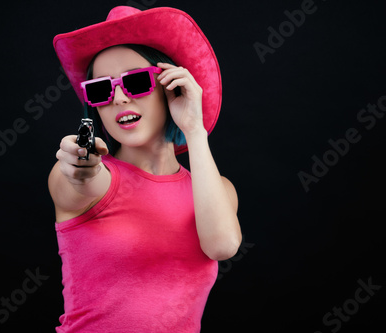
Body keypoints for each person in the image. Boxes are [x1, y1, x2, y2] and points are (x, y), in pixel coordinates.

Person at [48, 6, 242, 332]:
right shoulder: (95, 178)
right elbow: (79, 178)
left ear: (172, 85)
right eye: (101, 89)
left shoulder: (217, 190)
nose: (120, 98)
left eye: (136, 81)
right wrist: (78, 166)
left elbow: (221, 246)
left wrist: (194, 129)